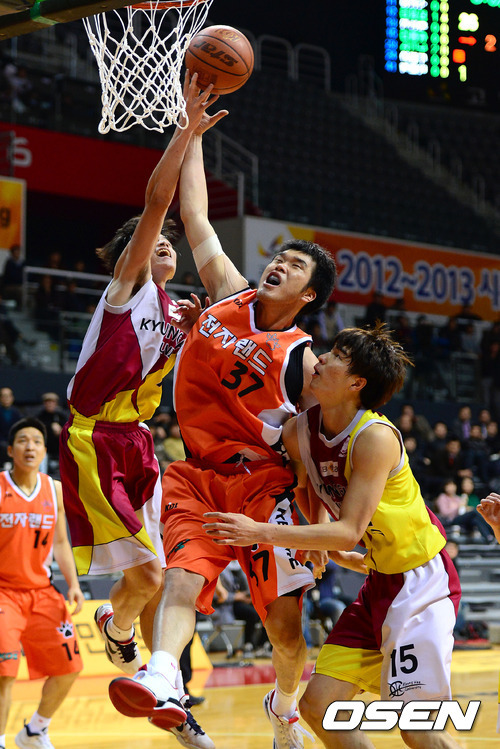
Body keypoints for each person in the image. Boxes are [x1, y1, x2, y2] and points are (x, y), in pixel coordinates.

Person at [107, 100, 337, 749]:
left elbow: (316, 443)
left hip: (265, 488)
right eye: (280, 256)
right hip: (197, 475)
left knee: (286, 633)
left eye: (295, 266)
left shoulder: (304, 362)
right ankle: (162, 675)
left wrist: (322, 518)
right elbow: (196, 215)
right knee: (183, 576)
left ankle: (283, 707)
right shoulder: (228, 290)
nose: (279, 263)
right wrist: (193, 129)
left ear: (308, 295)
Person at [59, 74, 224, 749]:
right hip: (95, 439)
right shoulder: (126, 289)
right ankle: (117, 626)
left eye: (167, 244)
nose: (163, 246)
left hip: (141, 444)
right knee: (150, 577)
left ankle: (168, 691)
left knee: (164, 579)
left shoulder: (181, 311)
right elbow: (159, 201)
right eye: (152, 242)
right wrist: (184, 130)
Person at [204, 323, 463, 749]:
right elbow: (305, 486)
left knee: (416, 726)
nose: (322, 358)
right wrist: (320, 539)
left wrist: (260, 532)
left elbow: (348, 532)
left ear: (357, 383)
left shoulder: (374, 437)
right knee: (319, 706)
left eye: (338, 356)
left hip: (421, 584)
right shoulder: (301, 430)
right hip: (379, 582)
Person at [0, 418, 84, 749]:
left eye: (36, 441)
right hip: (4, 593)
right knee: (4, 672)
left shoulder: (54, 489)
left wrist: (73, 584)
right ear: (11, 450)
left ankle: (34, 731)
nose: (30, 446)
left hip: (42, 592)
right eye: (23, 441)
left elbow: (61, 542)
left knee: (69, 667)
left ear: (44, 451)